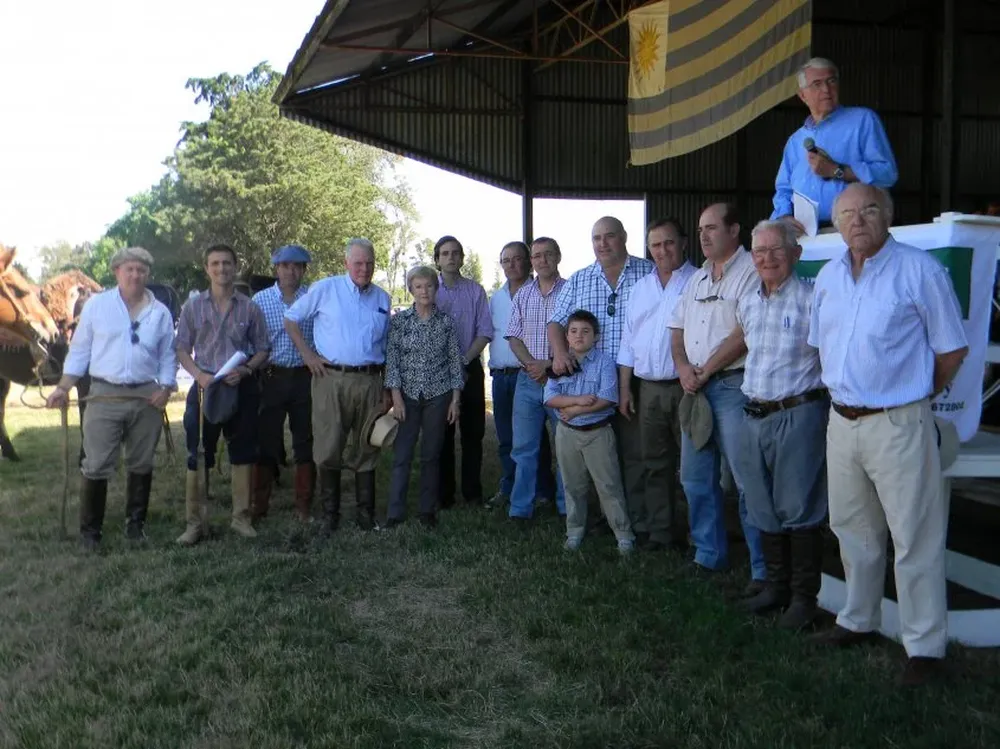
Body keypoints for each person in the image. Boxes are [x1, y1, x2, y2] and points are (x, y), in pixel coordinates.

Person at [809, 184, 968, 686]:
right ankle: (858, 619)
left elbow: (952, 349)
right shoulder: (830, 276)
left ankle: (925, 647)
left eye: (869, 210)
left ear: (888, 216)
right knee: (852, 528)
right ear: (836, 222)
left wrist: (912, 395)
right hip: (841, 422)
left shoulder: (920, 270)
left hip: (898, 422)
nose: (858, 221)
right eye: (847, 213)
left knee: (914, 536)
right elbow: (821, 344)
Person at [45, 247, 176, 549]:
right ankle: (90, 534)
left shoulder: (160, 313)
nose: (135, 275)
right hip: (104, 395)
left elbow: (168, 355)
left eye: (141, 270)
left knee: (141, 461)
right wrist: (63, 387)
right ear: (117, 272)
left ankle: (136, 527)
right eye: (129, 269)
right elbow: (80, 352)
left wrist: (166, 388)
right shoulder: (97, 306)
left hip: (147, 396)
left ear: (148, 274)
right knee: (96, 463)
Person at [735, 220, 828, 630]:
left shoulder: (812, 299)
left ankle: (804, 599)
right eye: (759, 251)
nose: (767, 258)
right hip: (754, 414)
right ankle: (776, 588)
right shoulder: (748, 302)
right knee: (762, 504)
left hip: (798, 413)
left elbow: (828, 358)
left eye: (776, 250)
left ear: (796, 253)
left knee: (800, 507)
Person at [668, 203, 766, 591]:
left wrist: (705, 370)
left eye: (711, 228)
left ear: (734, 230)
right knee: (695, 478)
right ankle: (708, 555)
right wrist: (682, 368)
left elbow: (745, 332)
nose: (704, 236)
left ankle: (762, 569)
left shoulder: (752, 271)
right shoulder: (698, 278)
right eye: (700, 229)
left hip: (732, 386)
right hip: (696, 388)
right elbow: (676, 330)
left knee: (747, 479)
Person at [548, 217, 653, 532]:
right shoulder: (580, 279)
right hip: (588, 379)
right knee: (589, 448)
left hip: (637, 376)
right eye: (597, 238)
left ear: (624, 237)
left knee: (634, 451)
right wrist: (561, 353)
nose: (603, 244)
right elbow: (555, 322)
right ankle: (595, 517)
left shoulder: (647, 273)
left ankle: (633, 518)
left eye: (610, 236)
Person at [284, 238, 391, 535]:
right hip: (331, 379)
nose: (364, 268)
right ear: (346, 263)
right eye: (358, 263)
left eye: (369, 263)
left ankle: (365, 515)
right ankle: (330, 515)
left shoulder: (382, 298)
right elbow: (291, 320)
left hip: (370, 380)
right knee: (328, 446)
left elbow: (387, 346)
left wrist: (387, 387)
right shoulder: (325, 289)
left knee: (368, 444)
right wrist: (307, 355)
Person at [175, 244, 270, 545]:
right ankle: (195, 524)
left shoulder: (250, 308)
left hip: (240, 388)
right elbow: (181, 348)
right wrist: (198, 375)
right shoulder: (193, 307)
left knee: (243, 452)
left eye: (227, 263)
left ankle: (241, 519)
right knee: (197, 452)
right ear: (207, 268)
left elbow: (264, 349)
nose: (221, 268)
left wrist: (246, 370)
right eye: (215, 263)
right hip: (205, 388)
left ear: (235, 266)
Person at [617, 219, 696, 551]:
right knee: (654, 463)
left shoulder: (698, 281)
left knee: (694, 466)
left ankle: (697, 535)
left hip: (688, 388)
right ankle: (661, 532)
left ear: (684, 242)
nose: (662, 250)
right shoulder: (640, 289)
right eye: (655, 245)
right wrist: (625, 390)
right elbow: (628, 342)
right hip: (647, 388)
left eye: (669, 243)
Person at [544, 310, 634, 555]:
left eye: (585, 331)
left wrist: (574, 410)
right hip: (567, 434)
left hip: (598, 433)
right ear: (566, 336)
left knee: (609, 485)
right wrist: (577, 401)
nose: (579, 336)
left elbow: (608, 397)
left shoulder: (604, 362)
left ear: (596, 336)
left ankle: (623, 535)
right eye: (573, 331)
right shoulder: (559, 363)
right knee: (573, 485)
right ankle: (574, 531)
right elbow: (550, 397)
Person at [771, 57, 898, 230]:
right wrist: (784, 216)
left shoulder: (862, 120)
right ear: (802, 95)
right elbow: (783, 189)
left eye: (831, 81)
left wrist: (837, 171)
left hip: (853, 228)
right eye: (817, 84)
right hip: (804, 233)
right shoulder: (795, 141)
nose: (826, 89)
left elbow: (887, 174)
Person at [384, 266, 464, 528]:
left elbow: (454, 363)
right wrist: (396, 397)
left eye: (429, 286)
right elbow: (392, 361)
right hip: (407, 396)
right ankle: (395, 513)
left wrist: (455, 400)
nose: (424, 291)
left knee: (431, 454)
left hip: (438, 395)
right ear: (411, 290)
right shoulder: (400, 322)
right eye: (418, 286)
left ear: (436, 288)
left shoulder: (446, 323)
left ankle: (427, 510)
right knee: (402, 454)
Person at [487, 240, 555, 510]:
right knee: (507, 438)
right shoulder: (496, 298)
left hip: (530, 375)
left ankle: (543, 490)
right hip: (502, 375)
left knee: (538, 439)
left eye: (517, 259)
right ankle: (510, 487)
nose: (511, 265)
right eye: (506, 260)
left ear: (528, 262)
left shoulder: (541, 291)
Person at [251, 244, 316, 524]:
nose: (291, 271)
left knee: (305, 440)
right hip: (272, 377)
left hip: (305, 377)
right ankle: (259, 505)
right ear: (276, 269)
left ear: (303, 270)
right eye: (285, 266)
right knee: (265, 440)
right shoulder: (260, 300)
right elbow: (252, 339)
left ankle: (304, 505)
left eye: (297, 266)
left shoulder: (313, 298)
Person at [505, 237, 567, 524]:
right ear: (532, 261)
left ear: (558, 256)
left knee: (565, 448)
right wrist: (533, 365)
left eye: (548, 254)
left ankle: (567, 506)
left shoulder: (571, 291)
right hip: (528, 381)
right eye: (537, 256)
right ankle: (520, 509)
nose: (542, 260)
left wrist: (549, 365)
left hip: (562, 381)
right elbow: (513, 337)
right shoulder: (523, 294)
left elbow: (580, 335)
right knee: (524, 449)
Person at [434, 236, 493, 507]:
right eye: (445, 253)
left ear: (462, 258)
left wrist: (464, 359)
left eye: (456, 253)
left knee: (473, 433)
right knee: (442, 435)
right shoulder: (430, 289)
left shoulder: (476, 291)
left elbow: (485, 331)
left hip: (470, 368)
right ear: (437, 260)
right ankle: (444, 495)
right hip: (438, 372)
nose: (451, 257)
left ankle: (472, 493)